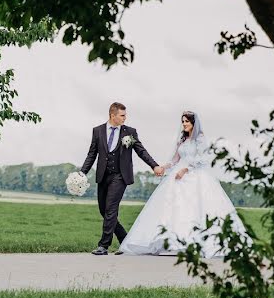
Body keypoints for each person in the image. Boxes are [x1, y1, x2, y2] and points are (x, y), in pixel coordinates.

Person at [119, 110, 247, 257]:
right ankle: (172, 244)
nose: (184, 124)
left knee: (194, 208)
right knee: (171, 208)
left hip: (195, 175)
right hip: (178, 174)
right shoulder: (182, 140)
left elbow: (202, 159)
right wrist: (162, 167)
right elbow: (175, 159)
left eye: (187, 121)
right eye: (183, 121)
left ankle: (194, 243)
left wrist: (185, 169)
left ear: (193, 123)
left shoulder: (200, 138)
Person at [80, 102, 164, 256]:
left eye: (125, 115)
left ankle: (103, 246)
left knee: (111, 209)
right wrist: (82, 173)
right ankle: (125, 240)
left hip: (120, 176)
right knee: (103, 211)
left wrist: (154, 166)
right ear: (113, 115)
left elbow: (141, 151)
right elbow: (92, 154)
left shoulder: (129, 132)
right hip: (103, 176)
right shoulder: (98, 131)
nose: (125, 118)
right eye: (122, 115)